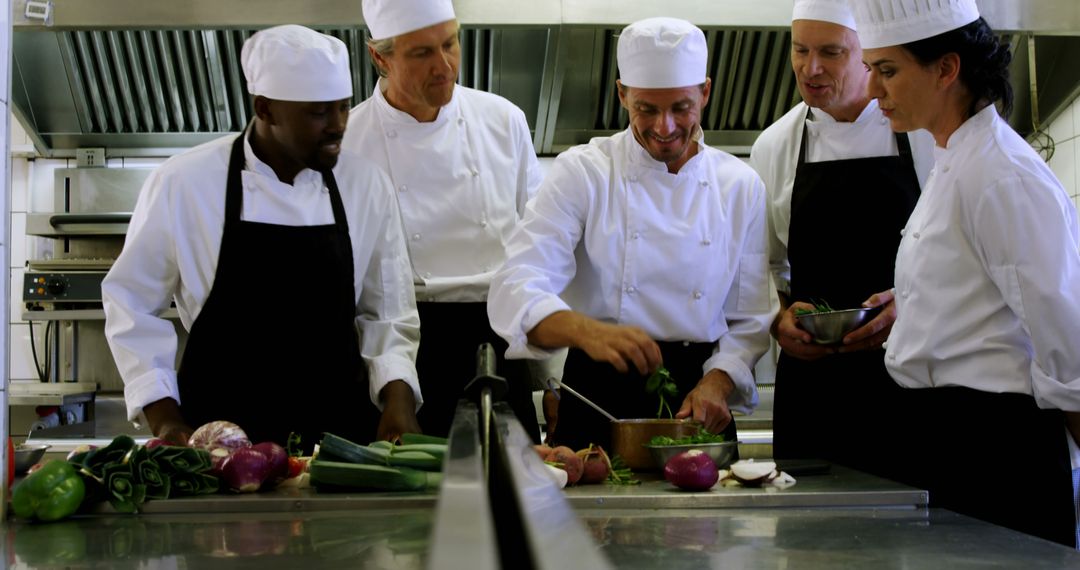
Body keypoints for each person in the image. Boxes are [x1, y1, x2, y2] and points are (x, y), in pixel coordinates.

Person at [102, 25, 422, 450]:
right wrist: (164, 419)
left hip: (337, 447)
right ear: (265, 109)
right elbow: (131, 304)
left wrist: (398, 398)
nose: (339, 125)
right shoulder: (185, 183)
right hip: (218, 448)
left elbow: (387, 312)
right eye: (318, 112)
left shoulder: (366, 185)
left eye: (343, 108)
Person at [487, 17, 778, 451]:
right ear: (622, 94)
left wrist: (718, 383)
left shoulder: (741, 185)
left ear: (706, 92)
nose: (664, 127)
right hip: (596, 393)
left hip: (696, 398)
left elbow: (750, 319)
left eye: (681, 107)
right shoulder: (583, 171)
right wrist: (588, 332)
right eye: (646, 108)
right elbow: (515, 286)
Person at [853, 0, 1080, 548]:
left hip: (995, 450)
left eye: (888, 71)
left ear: (946, 68)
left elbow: (1067, 341)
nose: (873, 92)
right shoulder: (953, 158)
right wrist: (915, 300)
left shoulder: (1001, 174)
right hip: (944, 439)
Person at [344, 0, 547, 441]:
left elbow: (539, 256)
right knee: (406, 499)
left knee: (511, 494)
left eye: (450, 44)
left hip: (495, 339)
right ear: (380, 56)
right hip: (400, 347)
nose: (444, 66)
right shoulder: (347, 144)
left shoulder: (504, 121)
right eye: (421, 53)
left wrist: (550, 376)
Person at [747, 0, 933, 480]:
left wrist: (910, 304)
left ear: (868, 54)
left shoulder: (925, 135)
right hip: (813, 384)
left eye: (830, 52)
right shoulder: (774, 145)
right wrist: (779, 317)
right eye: (800, 50)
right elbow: (763, 265)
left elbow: (956, 258)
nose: (810, 68)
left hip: (908, 375)